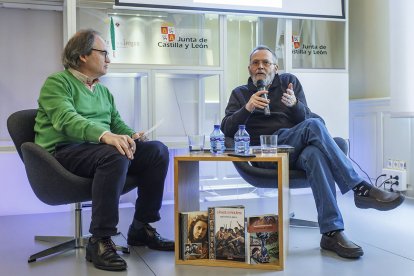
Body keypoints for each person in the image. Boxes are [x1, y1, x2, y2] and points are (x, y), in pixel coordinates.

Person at [221, 45, 405, 259]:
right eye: (255, 63)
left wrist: (295, 105)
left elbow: (308, 119)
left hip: (296, 150)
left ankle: (331, 232)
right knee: (314, 127)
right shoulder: (240, 93)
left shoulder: (290, 84)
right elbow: (226, 129)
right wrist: (248, 108)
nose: (260, 67)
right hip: (266, 155)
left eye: (266, 62)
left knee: (314, 151)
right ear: (249, 68)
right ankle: (359, 188)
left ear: (276, 67)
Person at [34, 29, 174, 271]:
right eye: (104, 53)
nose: (108, 59)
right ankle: (100, 239)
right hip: (63, 152)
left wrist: (131, 136)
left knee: (157, 151)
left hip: (98, 151)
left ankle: (141, 227)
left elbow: (116, 123)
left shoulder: (103, 91)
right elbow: (65, 119)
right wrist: (105, 136)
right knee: (114, 154)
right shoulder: (57, 83)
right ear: (83, 56)